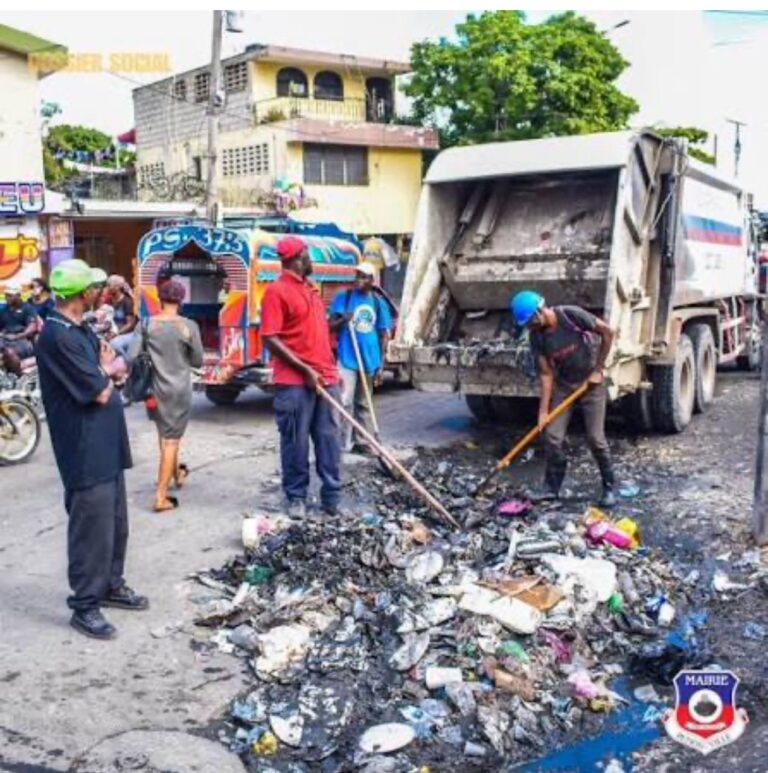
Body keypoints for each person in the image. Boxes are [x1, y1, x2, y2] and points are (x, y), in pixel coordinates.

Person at [36, 259, 147, 640]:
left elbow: (111, 369)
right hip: (84, 449)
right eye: (94, 288)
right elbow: (101, 389)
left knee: (115, 523)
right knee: (90, 529)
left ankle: (110, 585)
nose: (100, 292)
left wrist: (111, 369)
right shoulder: (58, 337)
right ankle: (85, 604)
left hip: (107, 445)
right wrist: (111, 370)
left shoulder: (78, 328)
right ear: (82, 294)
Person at [260, 236, 342, 519]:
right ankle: (296, 497)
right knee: (295, 441)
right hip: (294, 382)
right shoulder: (276, 291)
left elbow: (313, 333)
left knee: (329, 438)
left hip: (327, 377)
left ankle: (332, 496)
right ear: (297, 258)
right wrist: (305, 370)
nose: (312, 261)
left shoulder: (312, 290)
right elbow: (269, 337)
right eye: (308, 255)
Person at [511, 290, 617, 507]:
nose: (529, 327)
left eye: (530, 321)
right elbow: (546, 374)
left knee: (596, 439)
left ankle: (609, 487)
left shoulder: (571, 315)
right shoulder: (537, 337)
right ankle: (551, 488)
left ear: (539, 311)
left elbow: (608, 332)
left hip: (591, 384)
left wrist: (599, 369)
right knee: (551, 436)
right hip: (564, 386)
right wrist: (543, 413)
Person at [128, 279, 203, 512]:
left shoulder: (146, 324)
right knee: (171, 440)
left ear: (160, 299)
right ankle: (161, 497)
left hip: (154, 390)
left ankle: (176, 475)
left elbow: (131, 355)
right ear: (181, 300)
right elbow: (197, 361)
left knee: (165, 435)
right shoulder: (189, 326)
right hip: (179, 390)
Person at [329, 262, 393, 452]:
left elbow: (384, 334)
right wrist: (343, 319)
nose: (359, 280)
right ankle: (340, 444)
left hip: (370, 359)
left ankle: (362, 442)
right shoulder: (345, 298)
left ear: (372, 281)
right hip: (347, 358)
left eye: (364, 277)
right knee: (344, 401)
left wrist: (381, 365)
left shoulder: (378, 302)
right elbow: (331, 325)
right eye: (357, 275)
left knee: (364, 404)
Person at [0, 283, 37, 374]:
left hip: (21, 339)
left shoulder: (27, 308)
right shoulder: (3, 309)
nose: (6, 297)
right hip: (4, 338)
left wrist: (18, 336)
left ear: (18, 296)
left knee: (9, 353)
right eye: (6, 295)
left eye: (9, 295)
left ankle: (18, 376)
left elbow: (32, 326)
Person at [106, 274, 137, 358]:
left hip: (126, 333)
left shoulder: (127, 302)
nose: (107, 288)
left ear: (117, 287)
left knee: (114, 344)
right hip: (112, 331)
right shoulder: (108, 300)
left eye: (109, 285)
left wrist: (117, 333)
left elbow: (130, 324)